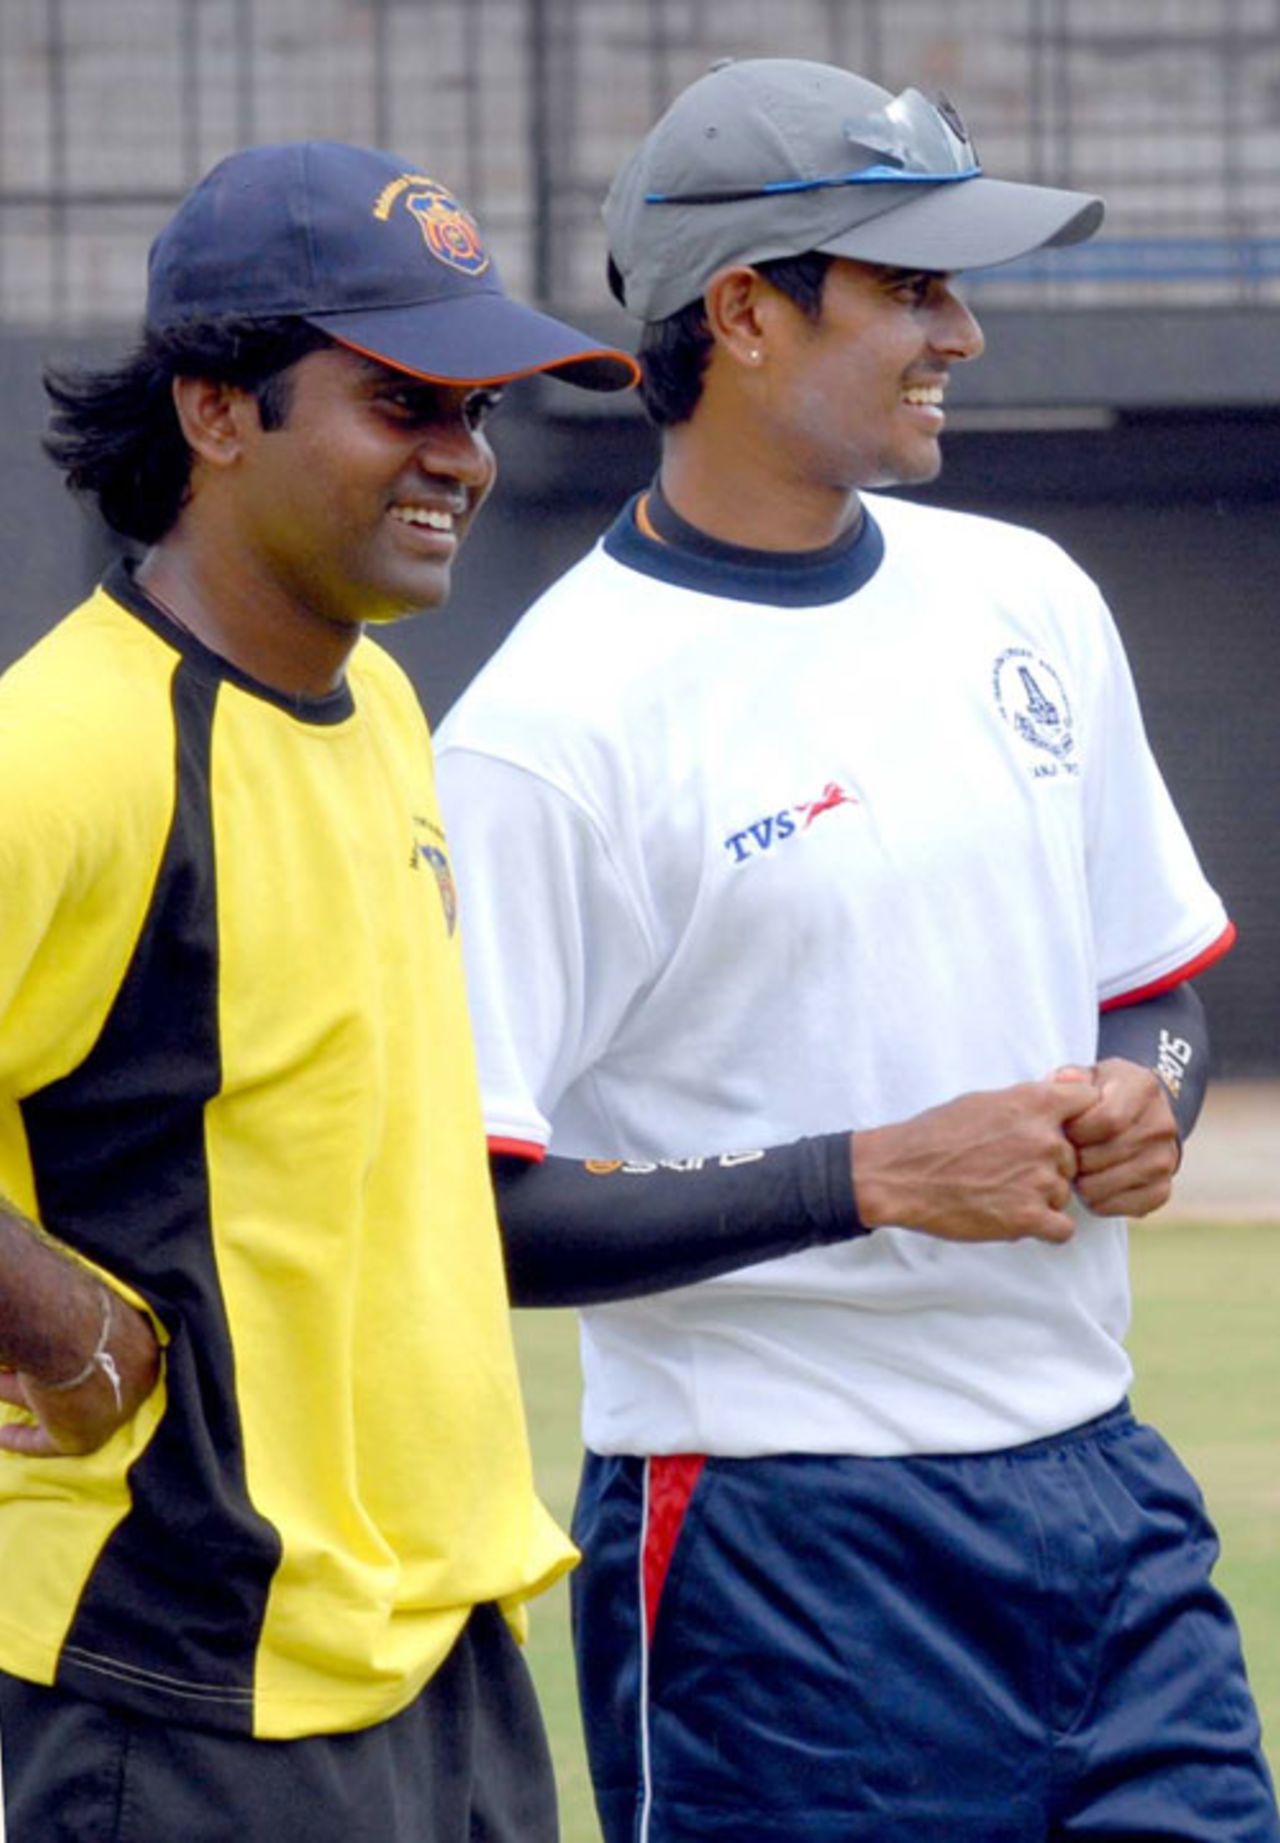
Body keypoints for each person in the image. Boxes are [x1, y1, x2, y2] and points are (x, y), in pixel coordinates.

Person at [433, 58, 1280, 1843]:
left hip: (1105, 1499)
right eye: (912, 284)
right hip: (771, 1552)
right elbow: (476, 1216)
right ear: (741, 311)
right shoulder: (545, 734)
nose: (962, 331)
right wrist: (876, 1176)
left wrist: (1156, 1093)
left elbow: (1159, 982)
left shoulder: (1026, 594)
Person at [0, 139, 639, 1841]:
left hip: (449, 1655)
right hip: (191, 1683)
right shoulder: (64, 750)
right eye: (403, 403)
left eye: (478, 413)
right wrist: (55, 1326)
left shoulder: (387, 713)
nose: (462, 457)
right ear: (218, 413)